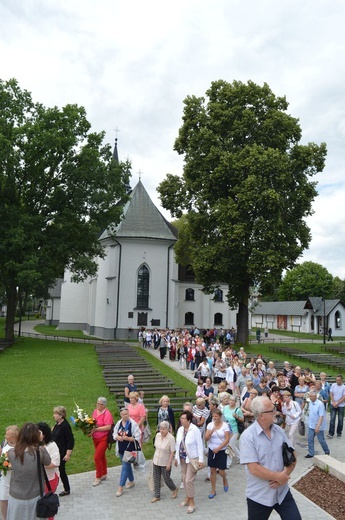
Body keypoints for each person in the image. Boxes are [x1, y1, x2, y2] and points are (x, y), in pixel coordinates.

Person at [240, 396, 301, 520]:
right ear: (262, 415)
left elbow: (293, 456)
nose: (275, 412)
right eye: (272, 410)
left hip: (282, 493)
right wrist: (277, 477)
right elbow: (254, 468)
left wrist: (284, 475)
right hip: (260, 496)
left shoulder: (279, 431)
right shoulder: (248, 437)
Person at [7, 422, 51, 520]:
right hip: (35, 497)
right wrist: (40, 443)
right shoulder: (39, 452)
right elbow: (48, 462)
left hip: (16, 497)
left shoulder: (11, 453)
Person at [175, 410, 204, 514]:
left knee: (188, 481)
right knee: (184, 478)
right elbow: (177, 444)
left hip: (192, 459)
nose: (181, 420)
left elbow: (200, 445)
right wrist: (176, 457)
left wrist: (201, 459)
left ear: (189, 420)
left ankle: (192, 503)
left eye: (183, 419)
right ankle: (187, 498)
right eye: (181, 418)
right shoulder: (180, 430)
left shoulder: (195, 430)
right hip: (182, 458)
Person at [113, 408, 141, 497]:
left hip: (129, 449)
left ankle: (120, 486)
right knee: (127, 465)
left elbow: (137, 437)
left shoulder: (133, 424)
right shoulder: (119, 423)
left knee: (124, 466)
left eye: (126, 414)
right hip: (121, 449)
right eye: (123, 414)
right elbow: (114, 434)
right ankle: (131, 480)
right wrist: (117, 437)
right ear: (121, 415)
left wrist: (128, 438)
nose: (125, 416)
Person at [204, 409, 230, 499]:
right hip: (212, 449)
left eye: (216, 416)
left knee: (221, 471)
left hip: (221, 450)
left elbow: (227, 439)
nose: (214, 418)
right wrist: (210, 433)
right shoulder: (210, 425)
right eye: (213, 416)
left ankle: (224, 479)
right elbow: (206, 438)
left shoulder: (225, 426)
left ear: (220, 416)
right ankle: (213, 490)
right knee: (212, 470)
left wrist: (218, 448)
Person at [37, 422, 60, 520]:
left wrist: (39, 465)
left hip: (50, 479)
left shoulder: (52, 445)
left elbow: (55, 463)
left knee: (47, 504)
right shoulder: (35, 445)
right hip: (39, 480)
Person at [151, 420, 178, 503]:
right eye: (160, 429)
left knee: (166, 479)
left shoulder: (171, 438)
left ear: (168, 429)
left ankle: (174, 488)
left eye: (163, 429)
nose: (161, 431)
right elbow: (156, 448)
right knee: (156, 478)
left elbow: (172, 452)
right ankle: (157, 496)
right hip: (156, 460)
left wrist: (169, 463)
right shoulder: (158, 435)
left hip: (165, 461)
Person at [51, 405, 74, 497]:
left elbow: (70, 440)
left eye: (56, 414)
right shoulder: (57, 424)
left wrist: (68, 454)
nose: (54, 415)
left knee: (61, 470)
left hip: (62, 452)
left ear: (61, 415)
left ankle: (67, 489)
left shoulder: (65, 426)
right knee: (59, 470)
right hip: (56, 451)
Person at [90, 397, 114, 486]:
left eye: (100, 404)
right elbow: (92, 422)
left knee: (97, 457)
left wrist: (96, 429)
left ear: (104, 405)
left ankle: (98, 476)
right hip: (95, 438)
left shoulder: (107, 414)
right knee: (101, 456)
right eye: (97, 403)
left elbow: (108, 427)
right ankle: (104, 473)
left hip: (104, 438)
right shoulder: (95, 411)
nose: (98, 405)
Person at [0, 426, 19, 520]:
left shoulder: (20, 446)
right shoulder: (4, 443)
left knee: (17, 501)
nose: (5, 436)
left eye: (7, 434)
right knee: (3, 499)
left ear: (14, 436)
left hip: (17, 479)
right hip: (5, 477)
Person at [305, 390, 330, 458]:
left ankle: (327, 451)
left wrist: (318, 426)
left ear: (315, 396)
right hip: (311, 424)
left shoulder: (320, 404)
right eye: (309, 396)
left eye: (311, 396)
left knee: (321, 440)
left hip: (319, 425)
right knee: (310, 439)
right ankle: (311, 453)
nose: (310, 397)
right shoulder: (310, 402)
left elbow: (321, 416)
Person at [222, 395, 243, 464]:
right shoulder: (225, 408)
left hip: (234, 430)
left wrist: (236, 416)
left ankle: (228, 463)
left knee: (230, 446)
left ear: (235, 402)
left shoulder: (238, 410)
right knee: (232, 445)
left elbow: (242, 419)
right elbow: (222, 417)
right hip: (226, 430)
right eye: (230, 400)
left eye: (233, 400)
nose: (231, 402)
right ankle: (240, 457)